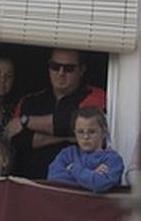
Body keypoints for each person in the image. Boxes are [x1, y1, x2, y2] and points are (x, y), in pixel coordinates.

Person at [8, 48, 107, 179]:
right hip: (30, 184)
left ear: (82, 70)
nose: (61, 73)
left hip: (76, 186)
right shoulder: (29, 101)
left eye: (69, 68)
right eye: (55, 66)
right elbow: (18, 141)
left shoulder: (97, 96)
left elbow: (69, 124)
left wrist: (26, 122)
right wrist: (65, 138)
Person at [47, 106, 124, 193]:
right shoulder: (67, 154)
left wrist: (73, 168)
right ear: (74, 132)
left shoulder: (113, 159)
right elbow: (54, 179)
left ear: (104, 132)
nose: (86, 137)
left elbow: (100, 184)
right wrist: (92, 174)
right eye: (80, 132)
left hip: (98, 206)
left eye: (91, 132)